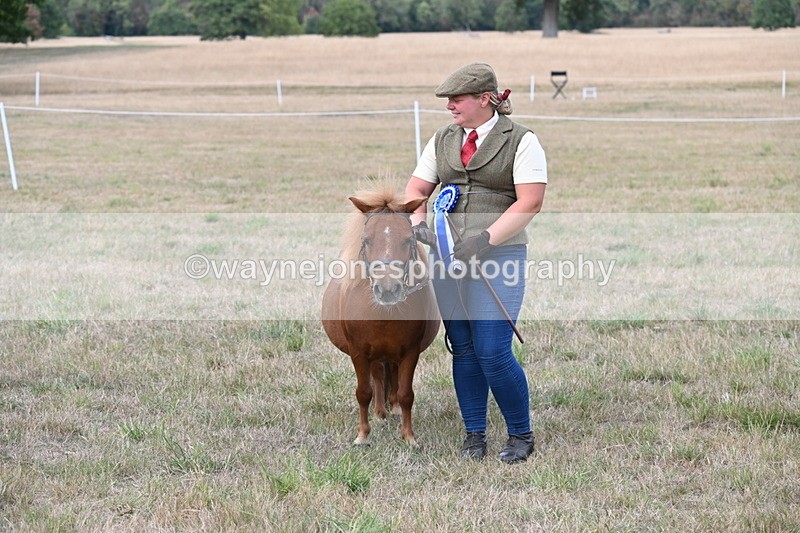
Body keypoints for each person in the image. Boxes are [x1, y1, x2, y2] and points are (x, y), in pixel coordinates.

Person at [404, 63, 547, 463]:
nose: (449, 106)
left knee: (492, 350)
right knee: (463, 348)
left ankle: (520, 434)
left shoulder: (522, 141)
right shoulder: (442, 139)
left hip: (499, 257)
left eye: (457, 99)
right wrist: (418, 225)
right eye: (448, 100)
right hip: (447, 258)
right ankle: (474, 435)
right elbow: (416, 188)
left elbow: (531, 201)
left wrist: (485, 239)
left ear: (485, 99)